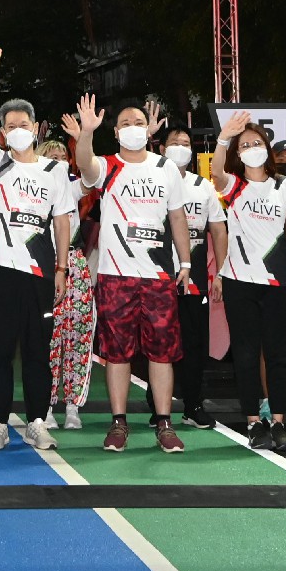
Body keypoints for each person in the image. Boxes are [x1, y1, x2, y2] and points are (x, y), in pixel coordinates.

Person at [0, 40, 75, 449]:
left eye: (23, 124)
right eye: (10, 125)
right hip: (1, 272)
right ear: (3, 133)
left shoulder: (54, 171)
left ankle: (37, 421)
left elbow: (62, 222)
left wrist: (61, 268)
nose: (17, 130)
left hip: (41, 274)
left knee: (36, 351)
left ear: (36, 128)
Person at [69, 94, 192, 453]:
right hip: (115, 276)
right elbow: (85, 165)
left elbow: (177, 217)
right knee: (117, 353)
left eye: (139, 123)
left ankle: (164, 423)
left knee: (161, 353)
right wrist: (86, 132)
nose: (133, 128)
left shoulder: (165, 168)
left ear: (148, 130)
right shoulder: (107, 166)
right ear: (116, 132)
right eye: (125, 124)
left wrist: (185, 263)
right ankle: (118, 423)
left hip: (158, 276)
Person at [207, 112, 286, 451]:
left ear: (266, 147)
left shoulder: (284, 185)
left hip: (279, 282)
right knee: (246, 354)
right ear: (238, 153)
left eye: (256, 143)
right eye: (245, 145)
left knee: (278, 354)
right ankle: (254, 422)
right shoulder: (233, 185)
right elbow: (215, 172)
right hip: (239, 281)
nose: (252, 148)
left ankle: (278, 422)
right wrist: (224, 138)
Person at [157, 115, 228, 429]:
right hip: (158, 272)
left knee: (194, 343)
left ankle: (193, 405)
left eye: (186, 144)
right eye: (174, 143)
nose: (180, 148)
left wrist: (221, 272)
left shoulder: (203, 187)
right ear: (162, 148)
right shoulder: (152, 182)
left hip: (195, 277)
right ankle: (158, 406)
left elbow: (219, 230)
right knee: (158, 340)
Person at [44, 135, 97, 427]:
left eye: (63, 158)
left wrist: (83, 138)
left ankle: (73, 406)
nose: (59, 162)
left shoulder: (72, 187)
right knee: (47, 339)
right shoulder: (33, 191)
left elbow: (91, 177)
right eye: (52, 157)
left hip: (75, 267)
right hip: (44, 267)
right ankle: (46, 405)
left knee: (78, 335)